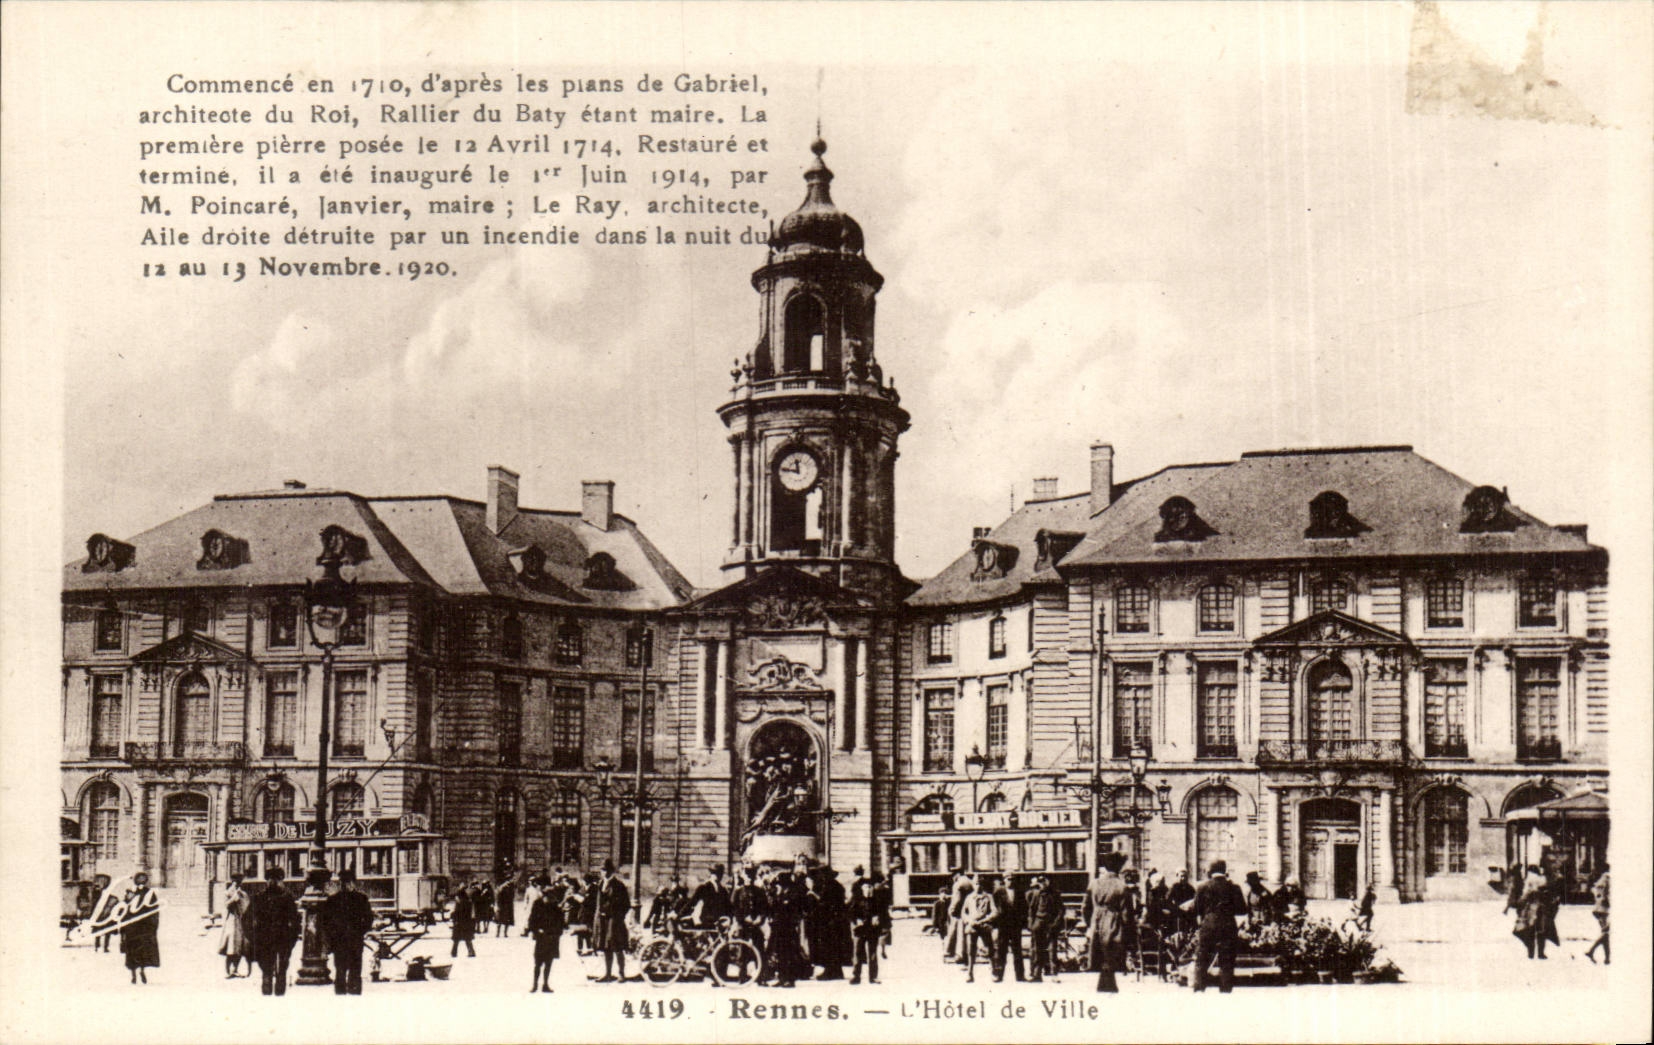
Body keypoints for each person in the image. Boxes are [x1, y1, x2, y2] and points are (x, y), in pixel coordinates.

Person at [1185, 860, 1247, 993]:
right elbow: (1242, 910)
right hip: (1228, 926)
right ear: (1224, 871)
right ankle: (1225, 990)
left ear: (1210, 871)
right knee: (1227, 960)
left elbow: (1196, 909)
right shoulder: (1234, 887)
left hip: (1208, 925)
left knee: (1202, 958)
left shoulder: (1202, 887)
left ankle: (1199, 988)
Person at [1083, 852, 1134, 993]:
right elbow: (1127, 913)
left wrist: (1090, 923)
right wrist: (1128, 930)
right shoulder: (1122, 886)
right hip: (1113, 921)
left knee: (1100, 951)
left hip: (1097, 920)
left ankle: (1104, 983)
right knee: (1111, 951)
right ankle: (1108, 983)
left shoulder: (1094, 883)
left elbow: (1085, 907)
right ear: (1119, 867)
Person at [320, 867, 376, 995]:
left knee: (352, 971)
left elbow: (368, 919)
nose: (345, 885)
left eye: (348, 882)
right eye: (343, 882)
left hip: (351, 941)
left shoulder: (358, 899)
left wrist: (360, 931)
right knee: (342, 971)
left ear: (353, 883)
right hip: (343, 941)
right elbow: (326, 922)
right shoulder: (335, 900)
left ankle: (350, 995)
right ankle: (345, 995)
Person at [249, 866, 301, 996]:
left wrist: (292, 938)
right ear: (266, 880)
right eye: (269, 879)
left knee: (282, 967)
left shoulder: (286, 898)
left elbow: (295, 920)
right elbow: (248, 919)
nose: (272, 882)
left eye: (276, 879)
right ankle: (268, 992)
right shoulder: (259, 898)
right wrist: (254, 936)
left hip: (282, 938)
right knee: (266, 968)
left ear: (280, 880)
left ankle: (279, 993)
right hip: (265, 938)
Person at [763, 871, 807, 988]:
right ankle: (782, 978)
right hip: (779, 928)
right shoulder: (781, 893)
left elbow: (794, 910)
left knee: (789, 954)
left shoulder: (793, 893)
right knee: (781, 954)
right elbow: (774, 907)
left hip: (788, 928)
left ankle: (789, 979)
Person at [119, 872, 161, 985]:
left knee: (143, 950)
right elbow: (124, 908)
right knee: (132, 950)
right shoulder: (130, 892)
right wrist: (123, 925)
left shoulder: (150, 893)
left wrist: (153, 925)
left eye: (143, 879)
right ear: (136, 880)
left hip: (144, 926)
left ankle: (142, 970)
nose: (141, 881)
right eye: (139, 878)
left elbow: (154, 909)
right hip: (132, 926)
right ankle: (133, 974)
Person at [594, 860, 632, 982]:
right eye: (602, 870)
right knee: (606, 947)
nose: (604, 872)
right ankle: (608, 974)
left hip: (614, 921)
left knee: (617, 947)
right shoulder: (600, 884)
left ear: (611, 871)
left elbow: (626, 905)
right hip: (602, 921)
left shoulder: (618, 885)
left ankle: (621, 974)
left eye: (606, 870)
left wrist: (618, 917)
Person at [527, 876, 566, 992]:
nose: (549, 899)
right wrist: (536, 930)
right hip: (541, 938)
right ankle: (535, 985)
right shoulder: (537, 904)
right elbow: (532, 920)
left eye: (551, 897)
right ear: (544, 895)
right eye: (547, 896)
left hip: (552, 938)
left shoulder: (555, 906)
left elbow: (561, 923)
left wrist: (557, 933)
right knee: (538, 963)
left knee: (549, 963)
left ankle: (545, 984)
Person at [1513, 864, 1558, 959]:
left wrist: (1520, 902)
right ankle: (1541, 953)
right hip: (1543, 908)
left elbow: (1526, 893)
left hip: (1531, 908)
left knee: (1529, 930)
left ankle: (1531, 952)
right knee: (1541, 931)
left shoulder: (1530, 879)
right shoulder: (1544, 879)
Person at [961, 874, 999, 984]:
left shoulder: (988, 897)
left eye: (980, 884)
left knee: (990, 949)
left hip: (984, 926)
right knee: (971, 951)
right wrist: (969, 920)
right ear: (973, 885)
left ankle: (993, 971)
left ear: (983, 885)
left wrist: (986, 919)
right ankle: (970, 973)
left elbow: (995, 911)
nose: (978, 886)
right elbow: (963, 913)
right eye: (976, 884)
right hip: (972, 926)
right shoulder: (969, 898)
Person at [1027, 874, 1062, 983]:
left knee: (1052, 950)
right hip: (1038, 924)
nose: (1043, 884)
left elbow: (1060, 910)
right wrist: (1031, 925)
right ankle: (1037, 974)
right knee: (1037, 950)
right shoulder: (1036, 894)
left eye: (1044, 881)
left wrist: (1055, 923)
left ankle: (1054, 974)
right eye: (1040, 882)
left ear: (1048, 882)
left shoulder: (1055, 894)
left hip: (1051, 924)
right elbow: (1031, 910)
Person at [993, 874, 1028, 983]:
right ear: (1004, 880)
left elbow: (1024, 908)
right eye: (1008, 879)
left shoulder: (1019, 892)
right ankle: (998, 975)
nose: (1011, 881)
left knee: (1017, 951)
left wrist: (1022, 922)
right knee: (1001, 951)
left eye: (1012, 879)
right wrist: (996, 924)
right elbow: (995, 908)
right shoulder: (998, 892)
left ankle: (1020, 975)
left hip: (1015, 926)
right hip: (1003, 926)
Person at [848, 878, 881, 985]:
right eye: (866, 887)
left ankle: (873, 977)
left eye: (870, 887)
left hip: (872, 930)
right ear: (862, 889)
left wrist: (877, 918)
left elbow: (882, 913)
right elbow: (850, 913)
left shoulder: (876, 900)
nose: (868, 889)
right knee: (857, 953)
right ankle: (856, 976)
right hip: (860, 930)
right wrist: (856, 920)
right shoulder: (856, 900)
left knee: (872, 953)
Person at [219, 875, 251, 978]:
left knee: (239, 947)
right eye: (235, 882)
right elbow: (226, 905)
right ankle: (227, 971)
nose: (237, 884)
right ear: (232, 882)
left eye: (239, 882)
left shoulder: (243, 894)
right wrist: (234, 898)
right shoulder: (227, 893)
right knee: (230, 947)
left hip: (241, 923)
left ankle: (235, 969)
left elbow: (247, 906)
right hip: (231, 922)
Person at [733, 867, 769, 956]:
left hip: (756, 926)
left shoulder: (760, 891)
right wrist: (743, 918)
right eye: (747, 876)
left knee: (759, 953)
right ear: (743, 876)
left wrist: (760, 918)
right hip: (743, 927)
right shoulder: (738, 892)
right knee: (742, 953)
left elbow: (765, 908)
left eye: (751, 876)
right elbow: (734, 909)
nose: (749, 879)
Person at [944, 868, 974, 964]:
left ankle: (958, 955)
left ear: (957, 874)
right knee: (966, 934)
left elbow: (956, 899)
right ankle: (965, 954)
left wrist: (951, 910)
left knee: (958, 934)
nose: (953, 878)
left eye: (953, 875)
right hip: (969, 911)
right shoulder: (970, 882)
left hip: (959, 913)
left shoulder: (958, 884)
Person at [688, 864, 732, 929]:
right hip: (705, 921)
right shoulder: (703, 887)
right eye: (714, 873)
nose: (717, 876)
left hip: (719, 923)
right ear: (711, 874)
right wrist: (678, 915)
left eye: (720, 873)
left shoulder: (723, 890)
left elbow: (729, 907)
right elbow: (692, 902)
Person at [1584, 866, 1609, 965]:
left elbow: (1594, 892)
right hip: (1605, 910)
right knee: (1607, 932)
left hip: (1598, 908)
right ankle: (1591, 951)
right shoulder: (1608, 879)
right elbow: (1608, 896)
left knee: (1605, 933)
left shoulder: (1600, 881)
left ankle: (1607, 958)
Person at [1167, 869, 1197, 939]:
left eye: (1185, 876)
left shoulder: (1190, 888)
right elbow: (1168, 901)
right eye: (1181, 876)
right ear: (1177, 876)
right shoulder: (1174, 887)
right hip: (1177, 913)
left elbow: (1195, 899)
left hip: (1188, 913)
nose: (1183, 878)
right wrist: (1176, 908)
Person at [449, 886, 477, 958]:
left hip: (459, 923)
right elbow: (472, 914)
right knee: (467, 939)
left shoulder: (460, 903)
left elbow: (457, 913)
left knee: (456, 939)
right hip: (467, 923)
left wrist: (453, 917)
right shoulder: (469, 902)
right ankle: (471, 951)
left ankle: (454, 952)